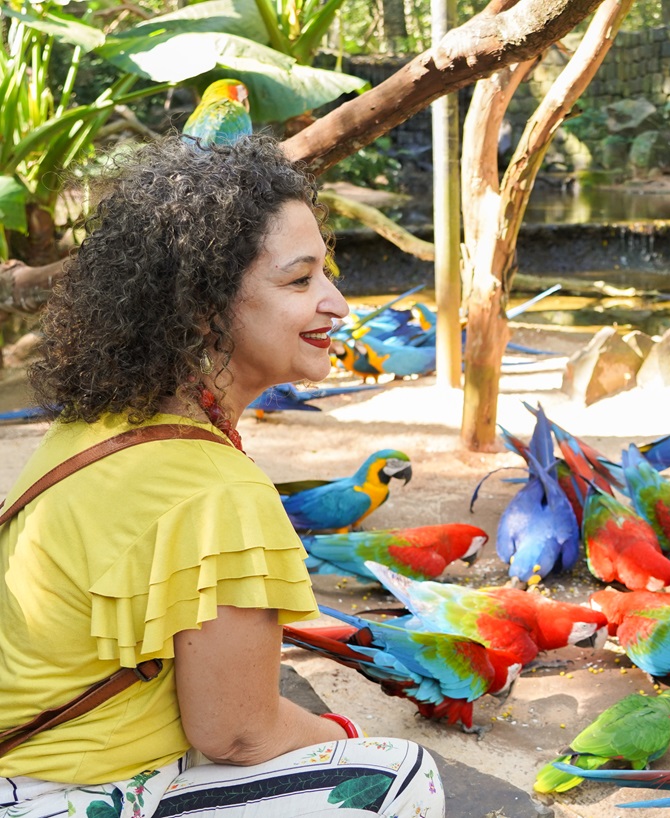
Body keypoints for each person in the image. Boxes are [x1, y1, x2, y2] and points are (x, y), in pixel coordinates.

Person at [0, 134, 445, 817]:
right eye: (300, 281)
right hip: (59, 797)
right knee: (400, 776)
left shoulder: (95, 426)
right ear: (204, 307)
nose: (337, 304)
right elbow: (237, 732)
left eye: (327, 274)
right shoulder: (219, 489)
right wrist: (344, 737)